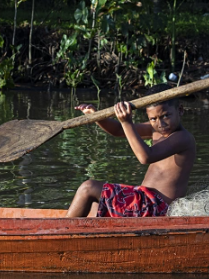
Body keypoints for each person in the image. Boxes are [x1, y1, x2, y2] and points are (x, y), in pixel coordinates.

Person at [65, 89, 196, 218]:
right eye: (153, 118)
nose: (160, 124)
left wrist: (126, 122)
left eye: (166, 116)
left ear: (180, 110)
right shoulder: (155, 129)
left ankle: (62, 231)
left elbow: (145, 157)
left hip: (157, 207)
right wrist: (95, 116)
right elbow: (118, 130)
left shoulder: (183, 138)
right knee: (95, 205)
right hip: (143, 200)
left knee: (88, 188)